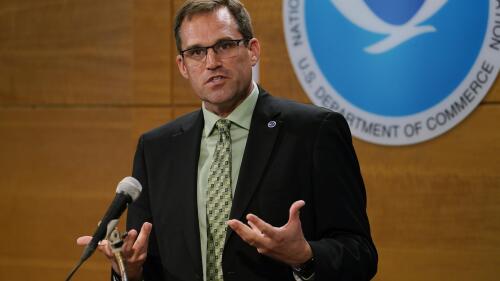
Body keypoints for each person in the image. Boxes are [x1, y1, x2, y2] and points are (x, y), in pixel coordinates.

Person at [77, 0, 378, 280]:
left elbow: (360, 253)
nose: (211, 62)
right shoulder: (156, 149)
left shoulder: (314, 132)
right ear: (183, 66)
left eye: (224, 45)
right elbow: (147, 262)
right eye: (196, 52)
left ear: (253, 50)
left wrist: (304, 256)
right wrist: (128, 270)